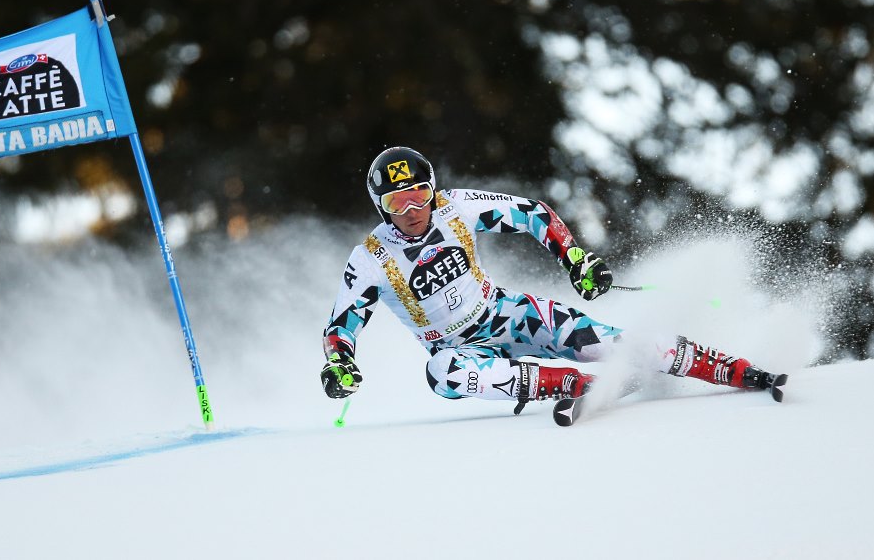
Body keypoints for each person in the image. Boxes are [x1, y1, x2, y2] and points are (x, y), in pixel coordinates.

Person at [320, 146, 786, 415]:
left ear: (433, 189)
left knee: (609, 342)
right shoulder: (371, 259)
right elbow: (341, 328)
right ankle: (576, 385)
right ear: (381, 206)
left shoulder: (454, 206)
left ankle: (735, 369)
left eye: (419, 193)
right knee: (442, 376)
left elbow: (530, 213)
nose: (414, 210)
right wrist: (339, 366)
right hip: (459, 349)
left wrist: (576, 260)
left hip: (508, 314)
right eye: (398, 202)